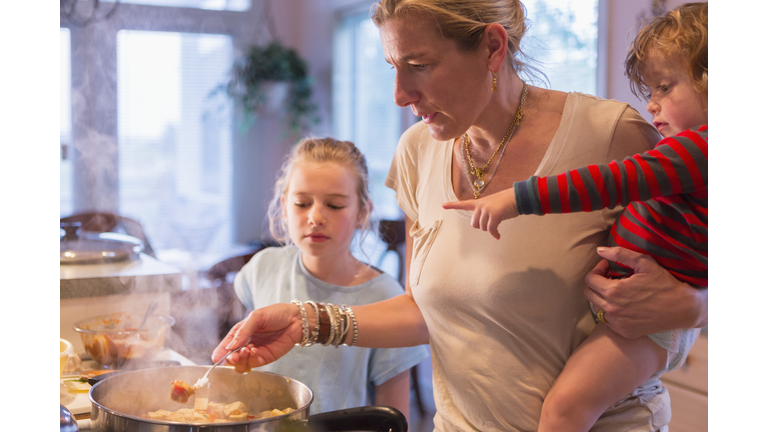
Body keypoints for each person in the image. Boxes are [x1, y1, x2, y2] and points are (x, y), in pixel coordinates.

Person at [213, 2, 708, 430]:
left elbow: (694, 260)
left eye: (420, 65)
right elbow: (428, 311)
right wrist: (307, 320)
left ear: (493, 47)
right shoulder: (416, 153)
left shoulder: (609, 135)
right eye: (393, 67)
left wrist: (698, 308)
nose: (400, 94)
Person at [442, 4, 708, 431]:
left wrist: (515, 199)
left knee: (565, 409)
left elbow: (611, 181)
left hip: (643, 327)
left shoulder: (699, 149)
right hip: (631, 314)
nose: (652, 106)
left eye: (664, 87)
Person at [231, 137, 429, 419]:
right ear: (285, 206)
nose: (315, 217)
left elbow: (393, 417)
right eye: (302, 203)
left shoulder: (388, 297)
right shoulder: (263, 267)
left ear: (362, 213)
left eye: (334, 206)